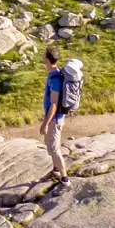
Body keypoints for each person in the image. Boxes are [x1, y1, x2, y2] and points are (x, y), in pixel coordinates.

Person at [40, 49, 69, 183]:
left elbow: (54, 104)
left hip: (54, 120)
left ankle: (65, 179)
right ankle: (56, 170)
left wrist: (45, 123)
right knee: (51, 146)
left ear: (47, 59)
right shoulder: (53, 74)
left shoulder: (55, 79)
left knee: (55, 149)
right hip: (54, 119)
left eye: (44, 55)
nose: (42, 57)